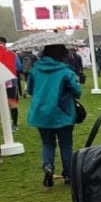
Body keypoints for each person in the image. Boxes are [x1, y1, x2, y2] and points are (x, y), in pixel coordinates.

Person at [26, 44, 81, 187]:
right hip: (63, 113)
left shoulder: (35, 70)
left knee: (47, 143)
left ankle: (48, 165)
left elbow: (30, 90)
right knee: (66, 145)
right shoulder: (65, 72)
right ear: (62, 55)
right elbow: (77, 92)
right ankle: (68, 174)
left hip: (41, 114)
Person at [0, 37, 22, 132]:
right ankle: (13, 124)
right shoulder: (13, 54)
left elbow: (19, 67)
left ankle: (14, 124)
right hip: (10, 81)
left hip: (9, 81)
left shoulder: (12, 55)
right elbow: (19, 68)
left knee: (11, 102)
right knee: (11, 102)